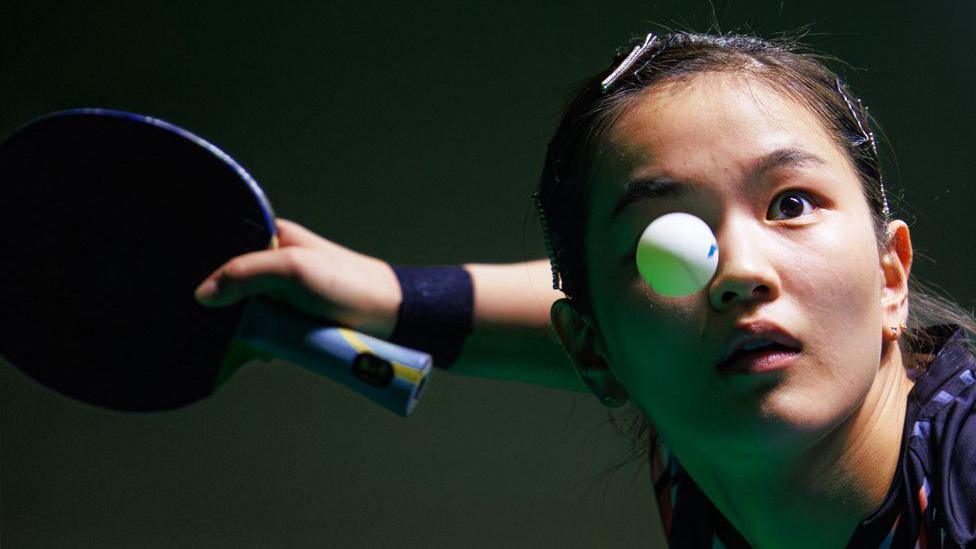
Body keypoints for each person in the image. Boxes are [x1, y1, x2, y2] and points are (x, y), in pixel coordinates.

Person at [194, 31, 976, 547]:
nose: (739, 273)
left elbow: (625, 314)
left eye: (791, 205)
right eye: (664, 244)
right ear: (596, 354)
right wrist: (385, 297)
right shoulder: (698, 396)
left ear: (889, 274)